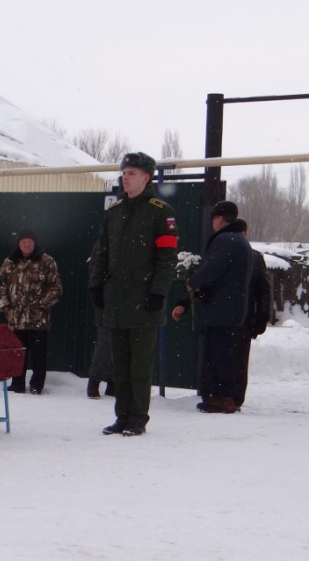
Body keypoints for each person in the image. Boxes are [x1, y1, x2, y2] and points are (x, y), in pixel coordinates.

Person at [89, 152, 177, 436]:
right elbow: (102, 252)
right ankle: (122, 416)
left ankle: (138, 417)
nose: (125, 178)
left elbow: (167, 258)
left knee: (139, 366)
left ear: (146, 178)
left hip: (144, 302)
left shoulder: (161, 211)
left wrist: (158, 292)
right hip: (116, 301)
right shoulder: (114, 212)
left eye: (132, 173)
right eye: (124, 172)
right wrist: (96, 285)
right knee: (120, 365)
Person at [170, 202, 252, 414]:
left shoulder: (225, 240)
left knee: (219, 353)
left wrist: (193, 281)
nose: (212, 223)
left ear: (220, 219)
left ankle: (222, 397)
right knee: (224, 352)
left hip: (220, 308)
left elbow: (213, 268)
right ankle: (222, 396)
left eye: (214, 218)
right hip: (231, 307)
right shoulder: (240, 241)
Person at [0, 228, 62, 394]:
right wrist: (5, 306)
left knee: (38, 355)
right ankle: (17, 383)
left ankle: (37, 385)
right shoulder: (10, 262)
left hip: (38, 318)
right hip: (16, 318)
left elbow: (56, 287)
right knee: (17, 353)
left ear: (34, 243)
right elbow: (1, 286)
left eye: (29, 242)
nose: (26, 245)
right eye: (23, 242)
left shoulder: (46, 261)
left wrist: (42, 305)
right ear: (19, 244)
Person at [233, 218, 271, 409]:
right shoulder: (254, 258)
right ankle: (234, 397)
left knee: (236, 358)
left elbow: (263, 289)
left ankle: (229, 396)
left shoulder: (253, 258)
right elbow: (264, 289)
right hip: (244, 315)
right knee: (239, 359)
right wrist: (262, 315)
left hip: (240, 316)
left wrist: (262, 315)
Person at [86, 240, 113, 399]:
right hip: (106, 303)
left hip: (124, 304)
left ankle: (113, 383)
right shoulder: (103, 245)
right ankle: (94, 382)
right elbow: (95, 272)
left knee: (120, 345)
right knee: (105, 345)